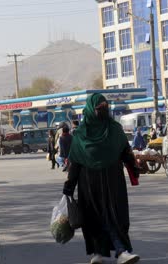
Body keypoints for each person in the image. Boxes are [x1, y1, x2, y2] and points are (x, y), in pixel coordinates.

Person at [63, 93, 140, 264]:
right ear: (91, 110)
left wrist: (134, 168)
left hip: (113, 182)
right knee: (93, 218)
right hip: (89, 185)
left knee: (115, 216)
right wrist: (69, 186)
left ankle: (121, 251)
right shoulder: (81, 134)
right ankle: (97, 253)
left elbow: (125, 151)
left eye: (105, 107)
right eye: (99, 108)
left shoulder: (114, 129)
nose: (103, 110)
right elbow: (75, 162)